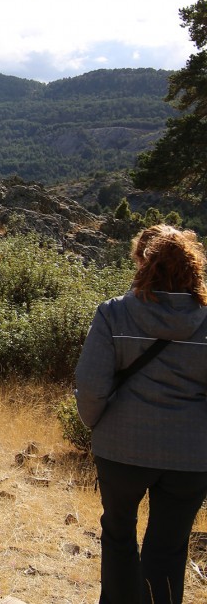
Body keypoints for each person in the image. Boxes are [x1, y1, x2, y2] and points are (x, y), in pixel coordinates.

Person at [75, 225, 207, 604]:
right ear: (193, 270)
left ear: (143, 265)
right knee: (169, 546)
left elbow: (91, 384)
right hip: (191, 456)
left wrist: (96, 425)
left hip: (121, 449)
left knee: (118, 534)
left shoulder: (115, 314)